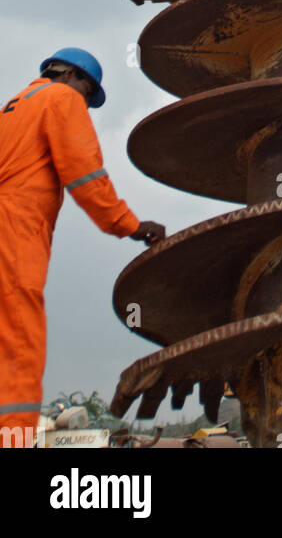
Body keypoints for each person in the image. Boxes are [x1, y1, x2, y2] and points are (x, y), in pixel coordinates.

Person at [0, 47, 165, 449]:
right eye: (88, 95)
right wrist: (129, 224)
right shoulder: (61, 100)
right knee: (19, 342)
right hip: (15, 230)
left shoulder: (14, 106)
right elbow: (85, 173)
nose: (86, 106)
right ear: (73, 76)